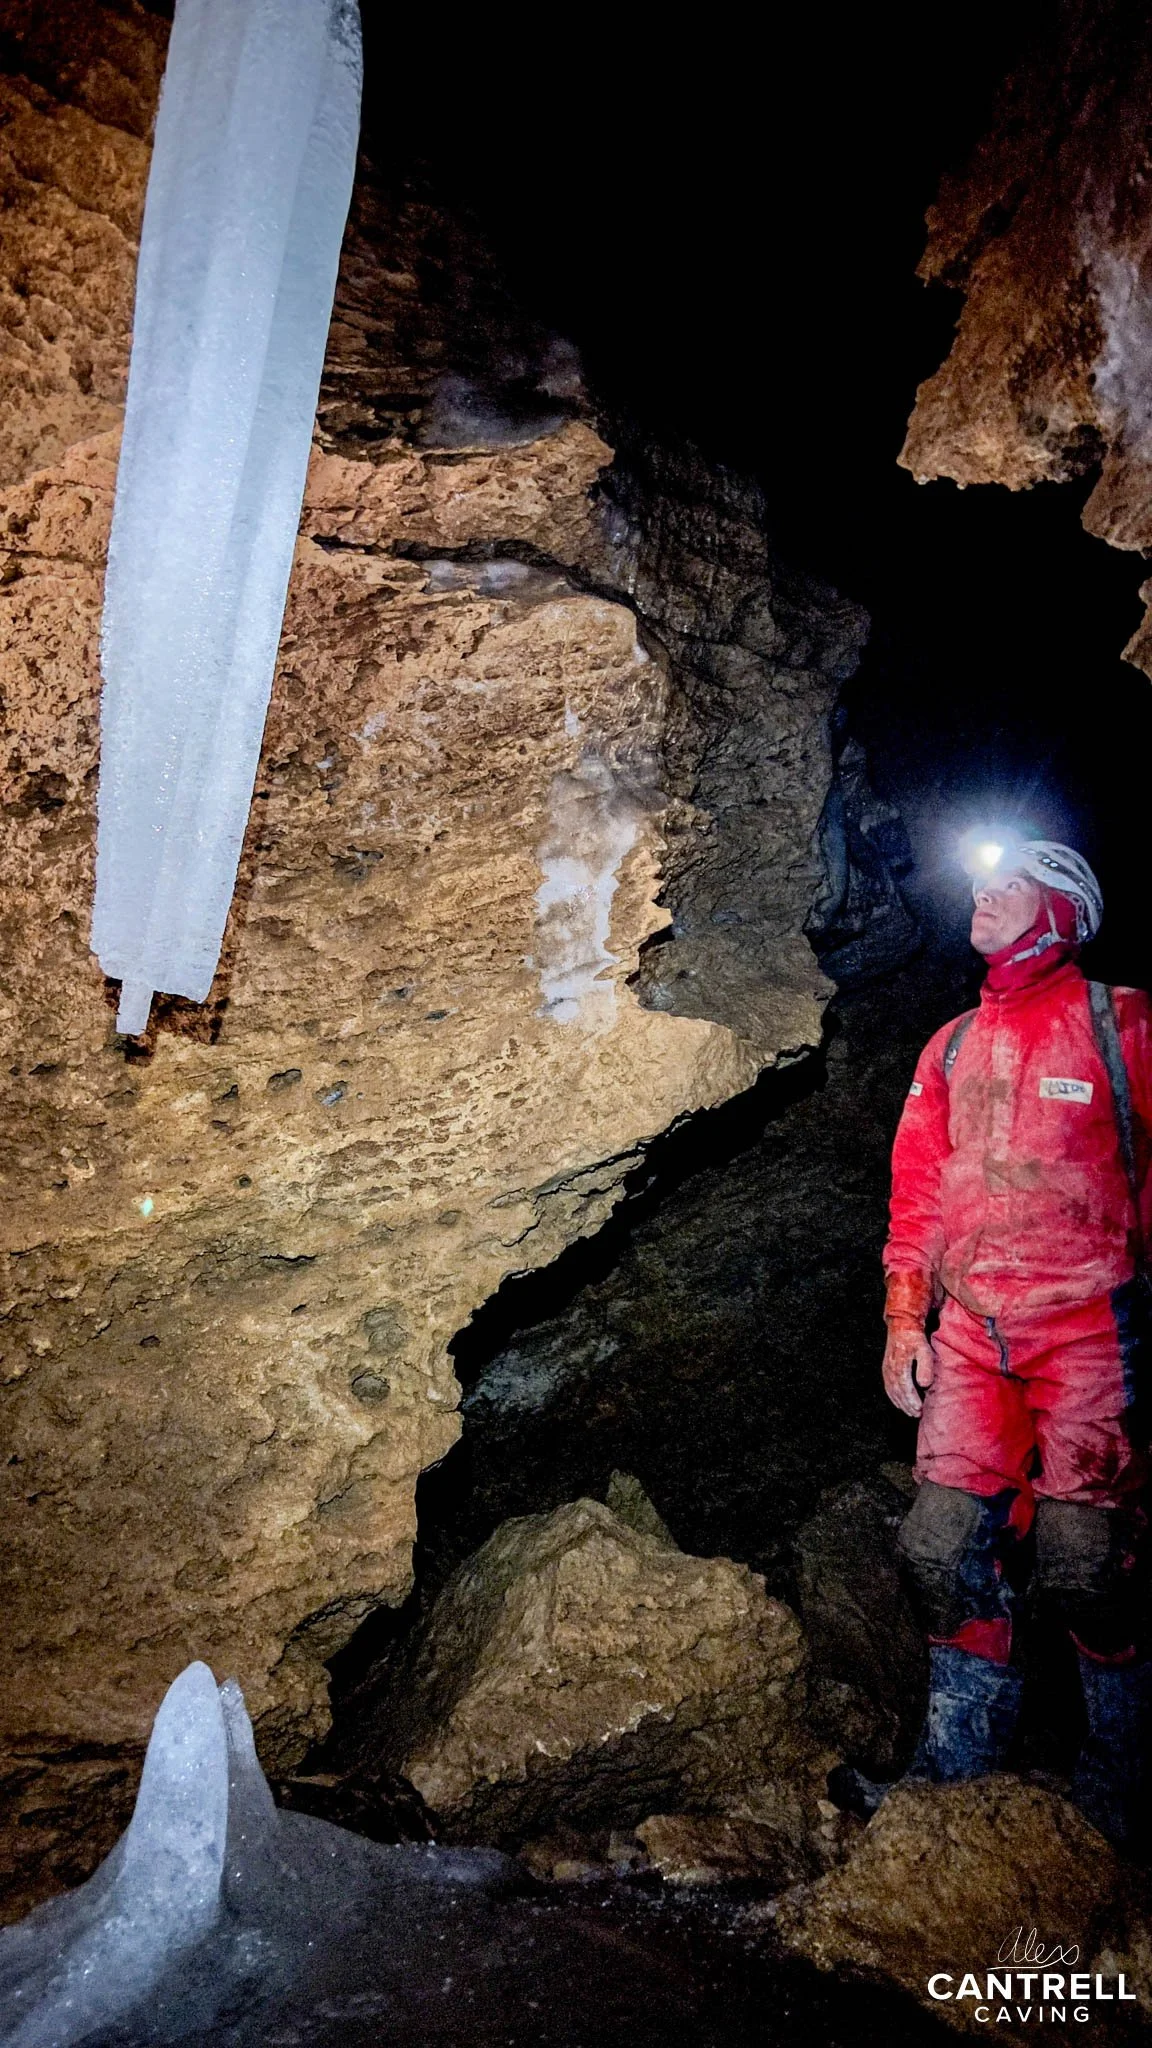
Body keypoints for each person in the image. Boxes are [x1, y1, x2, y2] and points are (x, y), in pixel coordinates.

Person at [881, 835, 1151, 1844]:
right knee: (937, 1550)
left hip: (1094, 1331)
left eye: (1010, 878)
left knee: (1089, 1563)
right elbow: (917, 1194)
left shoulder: (1121, 1023)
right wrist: (906, 1316)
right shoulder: (948, 1046)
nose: (984, 892)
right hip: (972, 1337)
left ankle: (1119, 1791)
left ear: (1063, 909)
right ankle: (952, 1780)